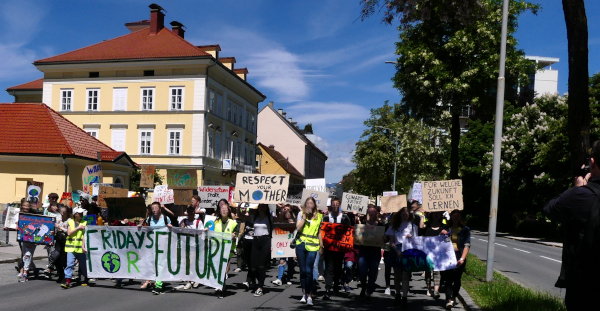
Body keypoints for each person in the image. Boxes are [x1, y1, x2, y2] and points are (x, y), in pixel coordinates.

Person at [543, 140, 600, 311]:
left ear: (592, 162)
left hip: (585, 286)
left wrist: (577, 188)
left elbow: (549, 208)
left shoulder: (582, 195)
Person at [295, 197, 324, 306]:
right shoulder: (301, 214)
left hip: (313, 246)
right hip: (301, 244)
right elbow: (298, 228)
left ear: (314, 205)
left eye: (311, 203)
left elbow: (319, 232)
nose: (309, 205)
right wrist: (304, 217)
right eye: (307, 203)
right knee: (302, 270)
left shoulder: (320, 216)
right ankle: (304, 294)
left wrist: (321, 246)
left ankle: (310, 295)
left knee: (309, 270)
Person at [385, 207, 417, 305]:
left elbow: (417, 241)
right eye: (403, 213)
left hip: (408, 251)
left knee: (405, 275)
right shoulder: (394, 226)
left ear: (409, 215)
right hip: (396, 250)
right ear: (400, 214)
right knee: (397, 275)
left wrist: (411, 238)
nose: (405, 215)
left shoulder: (413, 226)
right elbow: (391, 242)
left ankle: (404, 296)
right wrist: (397, 251)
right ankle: (398, 293)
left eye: (407, 213)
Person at [322, 197, 352, 300]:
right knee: (329, 268)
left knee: (338, 268)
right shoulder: (326, 218)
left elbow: (349, 231)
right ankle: (328, 289)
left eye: (337, 204)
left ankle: (336, 285)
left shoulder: (344, 218)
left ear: (339, 205)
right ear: (331, 205)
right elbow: (322, 232)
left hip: (340, 248)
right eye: (333, 204)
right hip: (329, 248)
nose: (335, 206)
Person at [139, 202, 172, 294]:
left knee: (160, 264)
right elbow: (146, 230)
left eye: (155, 208)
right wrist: (140, 226)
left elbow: (172, 230)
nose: (154, 210)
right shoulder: (149, 219)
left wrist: (170, 228)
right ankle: (150, 281)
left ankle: (158, 285)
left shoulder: (166, 218)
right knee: (152, 264)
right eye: (152, 208)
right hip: (152, 246)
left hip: (162, 246)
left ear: (160, 209)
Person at [440, 210, 470, 309]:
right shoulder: (446, 228)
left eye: (458, 216)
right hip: (448, 256)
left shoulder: (465, 230)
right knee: (448, 279)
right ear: (451, 217)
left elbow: (467, 245)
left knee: (457, 279)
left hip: (458, 255)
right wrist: (442, 234)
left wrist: (462, 258)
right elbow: (439, 242)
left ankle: (453, 296)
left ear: (460, 218)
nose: (455, 218)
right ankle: (448, 300)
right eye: (454, 216)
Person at [245, 204, 273, 297]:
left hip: (265, 240)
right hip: (255, 241)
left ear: (266, 208)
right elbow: (242, 217)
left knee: (261, 266)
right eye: (260, 206)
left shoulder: (269, 218)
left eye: (264, 206)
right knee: (253, 266)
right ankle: (256, 282)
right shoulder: (255, 216)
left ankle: (260, 286)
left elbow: (278, 224)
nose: (262, 208)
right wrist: (238, 207)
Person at [213, 199, 238, 298]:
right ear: (219, 211)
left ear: (228, 211)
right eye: (222, 209)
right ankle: (220, 284)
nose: (224, 210)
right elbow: (211, 232)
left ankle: (221, 288)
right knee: (218, 269)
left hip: (227, 249)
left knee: (223, 269)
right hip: (216, 249)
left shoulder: (233, 223)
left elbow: (235, 234)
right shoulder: (215, 222)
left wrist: (234, 235)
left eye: (225, 209)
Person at [357, 205, 384, 298]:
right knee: (362, 271)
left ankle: (369, 288)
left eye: (373, 212)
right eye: (370, 213)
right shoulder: (362, 223)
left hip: (375, 252)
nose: (371, 214)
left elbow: (384, 238)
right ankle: (364, 286)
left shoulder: (381, 225)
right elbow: (357, 236)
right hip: (363, 251)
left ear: (376, 214)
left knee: (373, 271)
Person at [61, 207, 89, 288]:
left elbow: (84, 235)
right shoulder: (70, 222)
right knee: (69, 264)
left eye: (81, 213)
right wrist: (78, 228)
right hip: (71, 247)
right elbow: (69, 233)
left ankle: (85, 278)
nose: (80, 215)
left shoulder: (85, 222)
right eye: (78, 213)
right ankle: (67, 281)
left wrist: (83, 246)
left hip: (80, 248)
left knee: (83, 265)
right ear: (75, 214)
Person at [421, 212, 446, 299]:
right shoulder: (426, 226)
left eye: (438, 214)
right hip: (427, 252)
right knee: (428, 271)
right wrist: (422, 215)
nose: (436, 215)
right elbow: (420, 227)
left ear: (440, 215)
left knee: (437, 271)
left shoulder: (444, 226)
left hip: (439, 253)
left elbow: (447, 238)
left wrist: (445, 233)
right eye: (434, 213)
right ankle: (428, 288)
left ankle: (436, 290)